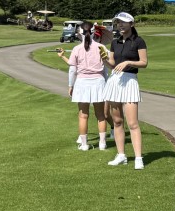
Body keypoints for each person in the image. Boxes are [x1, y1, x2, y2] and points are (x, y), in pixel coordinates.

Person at [102, 12, 147, 169]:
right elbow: (112, 65)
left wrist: (128, 62)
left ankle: (138, 158)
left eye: (123, 22)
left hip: (130, 81)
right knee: (117, 121)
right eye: (118, 22)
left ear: (131, 24)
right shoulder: (115, 42)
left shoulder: (138, 41)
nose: (120, 25)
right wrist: (104, 59)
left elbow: (144, 62)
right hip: (115, 81)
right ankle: (121, 155)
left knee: (133, 123)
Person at [57, 22, 110, 151]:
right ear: (93, 32)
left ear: (80, 33)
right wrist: (107, 83)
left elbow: (72, 70)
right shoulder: (101, 47)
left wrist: (70, 85)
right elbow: (106, 69)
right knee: (100, 115)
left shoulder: (76, 49)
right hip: (98, 82)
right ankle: (102, 143)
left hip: (82, 83)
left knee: (83, 115)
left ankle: (84, 144)